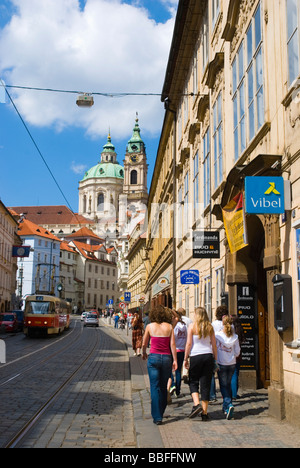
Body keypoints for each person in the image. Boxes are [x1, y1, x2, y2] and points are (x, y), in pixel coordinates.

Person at [142, 305, 177, 425]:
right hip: (167, 358)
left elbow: (144, 343)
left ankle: (157, 416)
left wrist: (143, 352)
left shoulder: (149, 326)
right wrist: (175, 360)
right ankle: (160, 412)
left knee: (154, 387)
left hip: (154, 358)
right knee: (163, 387)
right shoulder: (169, 327)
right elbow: (173, 345)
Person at [184, 307, 217, 421]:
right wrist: (215, 359)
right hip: (208, 356)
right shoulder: (210, 327)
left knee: (193, 381)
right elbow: (214, 345)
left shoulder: (192, 326)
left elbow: (188, 344)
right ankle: (204, 412)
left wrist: (185, 358)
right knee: (206, 384)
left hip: (195, 356)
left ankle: (196, 404)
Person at [215, 316, 241, 420]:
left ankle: (228, 404)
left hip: (221, 363)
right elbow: (237, 352)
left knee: (223, 385)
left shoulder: (218, 336)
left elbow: (215, 349)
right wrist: (232, 355)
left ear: (223, 324)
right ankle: (226, 407)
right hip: (232, 363)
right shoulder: (235, 337)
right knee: (228, 384)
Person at [210, 305, 230, 401]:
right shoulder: (228, 324)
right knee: (225, 378)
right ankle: (227, 395)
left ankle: (212, 395)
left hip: (215, 350)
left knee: (212, 373)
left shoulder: (213, 324)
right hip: (227, 352)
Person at [171, 310, 188, 397]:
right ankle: (177, 390)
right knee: (178, 371)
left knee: (169, 370)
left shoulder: (175, 327)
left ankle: (172, 385)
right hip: (182, 350)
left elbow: (173, 338)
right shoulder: (184, 325)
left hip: (174, 350)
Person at [231, 315, 245, 400]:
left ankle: (228, 393)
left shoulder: (229, 331)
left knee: (229, 375)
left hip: (229, 355)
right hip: (238, 354)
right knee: (235, 374)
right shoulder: (239, 331)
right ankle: (234, 394)